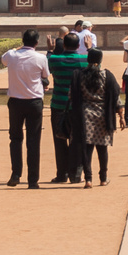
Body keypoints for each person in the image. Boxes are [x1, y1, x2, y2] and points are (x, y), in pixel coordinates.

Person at [66, 48, 121, 187]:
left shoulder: (79, 75)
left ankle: (88, 179)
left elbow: (71, 96)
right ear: (100, 60)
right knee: (102, 149)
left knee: (87, 149)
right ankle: (103, 178)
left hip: (85, 116)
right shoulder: (107, 75)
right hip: (103, 115)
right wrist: (121, 115)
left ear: (88, 59)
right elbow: (116, 97)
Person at [3, 29, 51, 188]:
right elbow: (45, 76)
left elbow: (4, 58)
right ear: (37, 43)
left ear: (22, 40)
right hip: (34, 102)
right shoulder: (41, 58)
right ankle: (33, 180)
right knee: (33, 141)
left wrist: (17, 48)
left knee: (15, 139)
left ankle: (16, 174)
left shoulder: (11, 55)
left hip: (16, 102)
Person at [47, 33, 87, 183]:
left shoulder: (54, 60)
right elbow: (97, 65)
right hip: (78, 106)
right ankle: (76, 174)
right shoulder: (84, 60)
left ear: (63, 45)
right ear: (78, 46)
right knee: (77, 140)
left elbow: (46, 66)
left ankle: (61, 174)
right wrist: (89, 49)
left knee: (59, 140)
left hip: (58, 104)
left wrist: (50, 50)